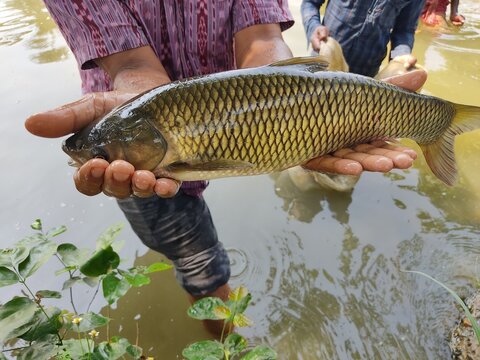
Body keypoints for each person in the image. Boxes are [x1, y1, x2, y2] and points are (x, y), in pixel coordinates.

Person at [25, 0, 417, 332]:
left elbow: (262, 39)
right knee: (200, 263)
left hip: (240, 113)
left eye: (103, 148)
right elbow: (130, 60)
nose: (94, 152)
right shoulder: (135, 144)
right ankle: (228, 337)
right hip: (128, 114)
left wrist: (302, 109)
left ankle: (230, 343)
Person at [301, 0, 426, 78]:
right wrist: (314, 28)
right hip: (322, 63)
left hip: (366, 76)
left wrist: (400, 56)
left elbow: (404, 30)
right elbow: (310, 3)